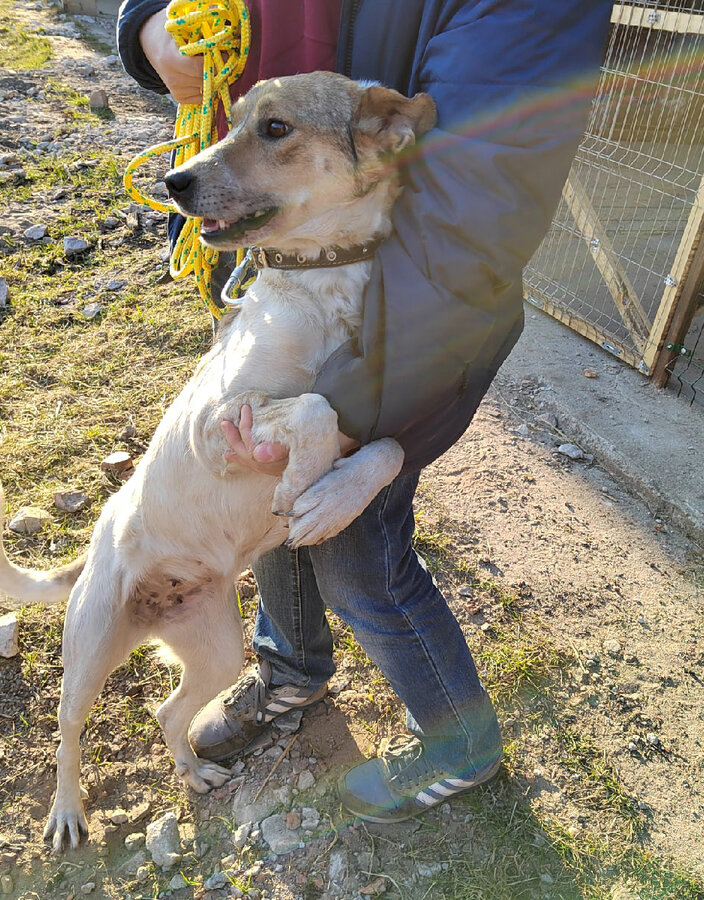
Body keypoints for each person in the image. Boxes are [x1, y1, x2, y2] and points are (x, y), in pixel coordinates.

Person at [116, 0, 612, 823]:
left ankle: (461, 742)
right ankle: (291, 665)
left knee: (359, 555)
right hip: (293, 269)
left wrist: (352, 418)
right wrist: (146, 28)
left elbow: (469, 230)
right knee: (272, 501)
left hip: (388, 319)